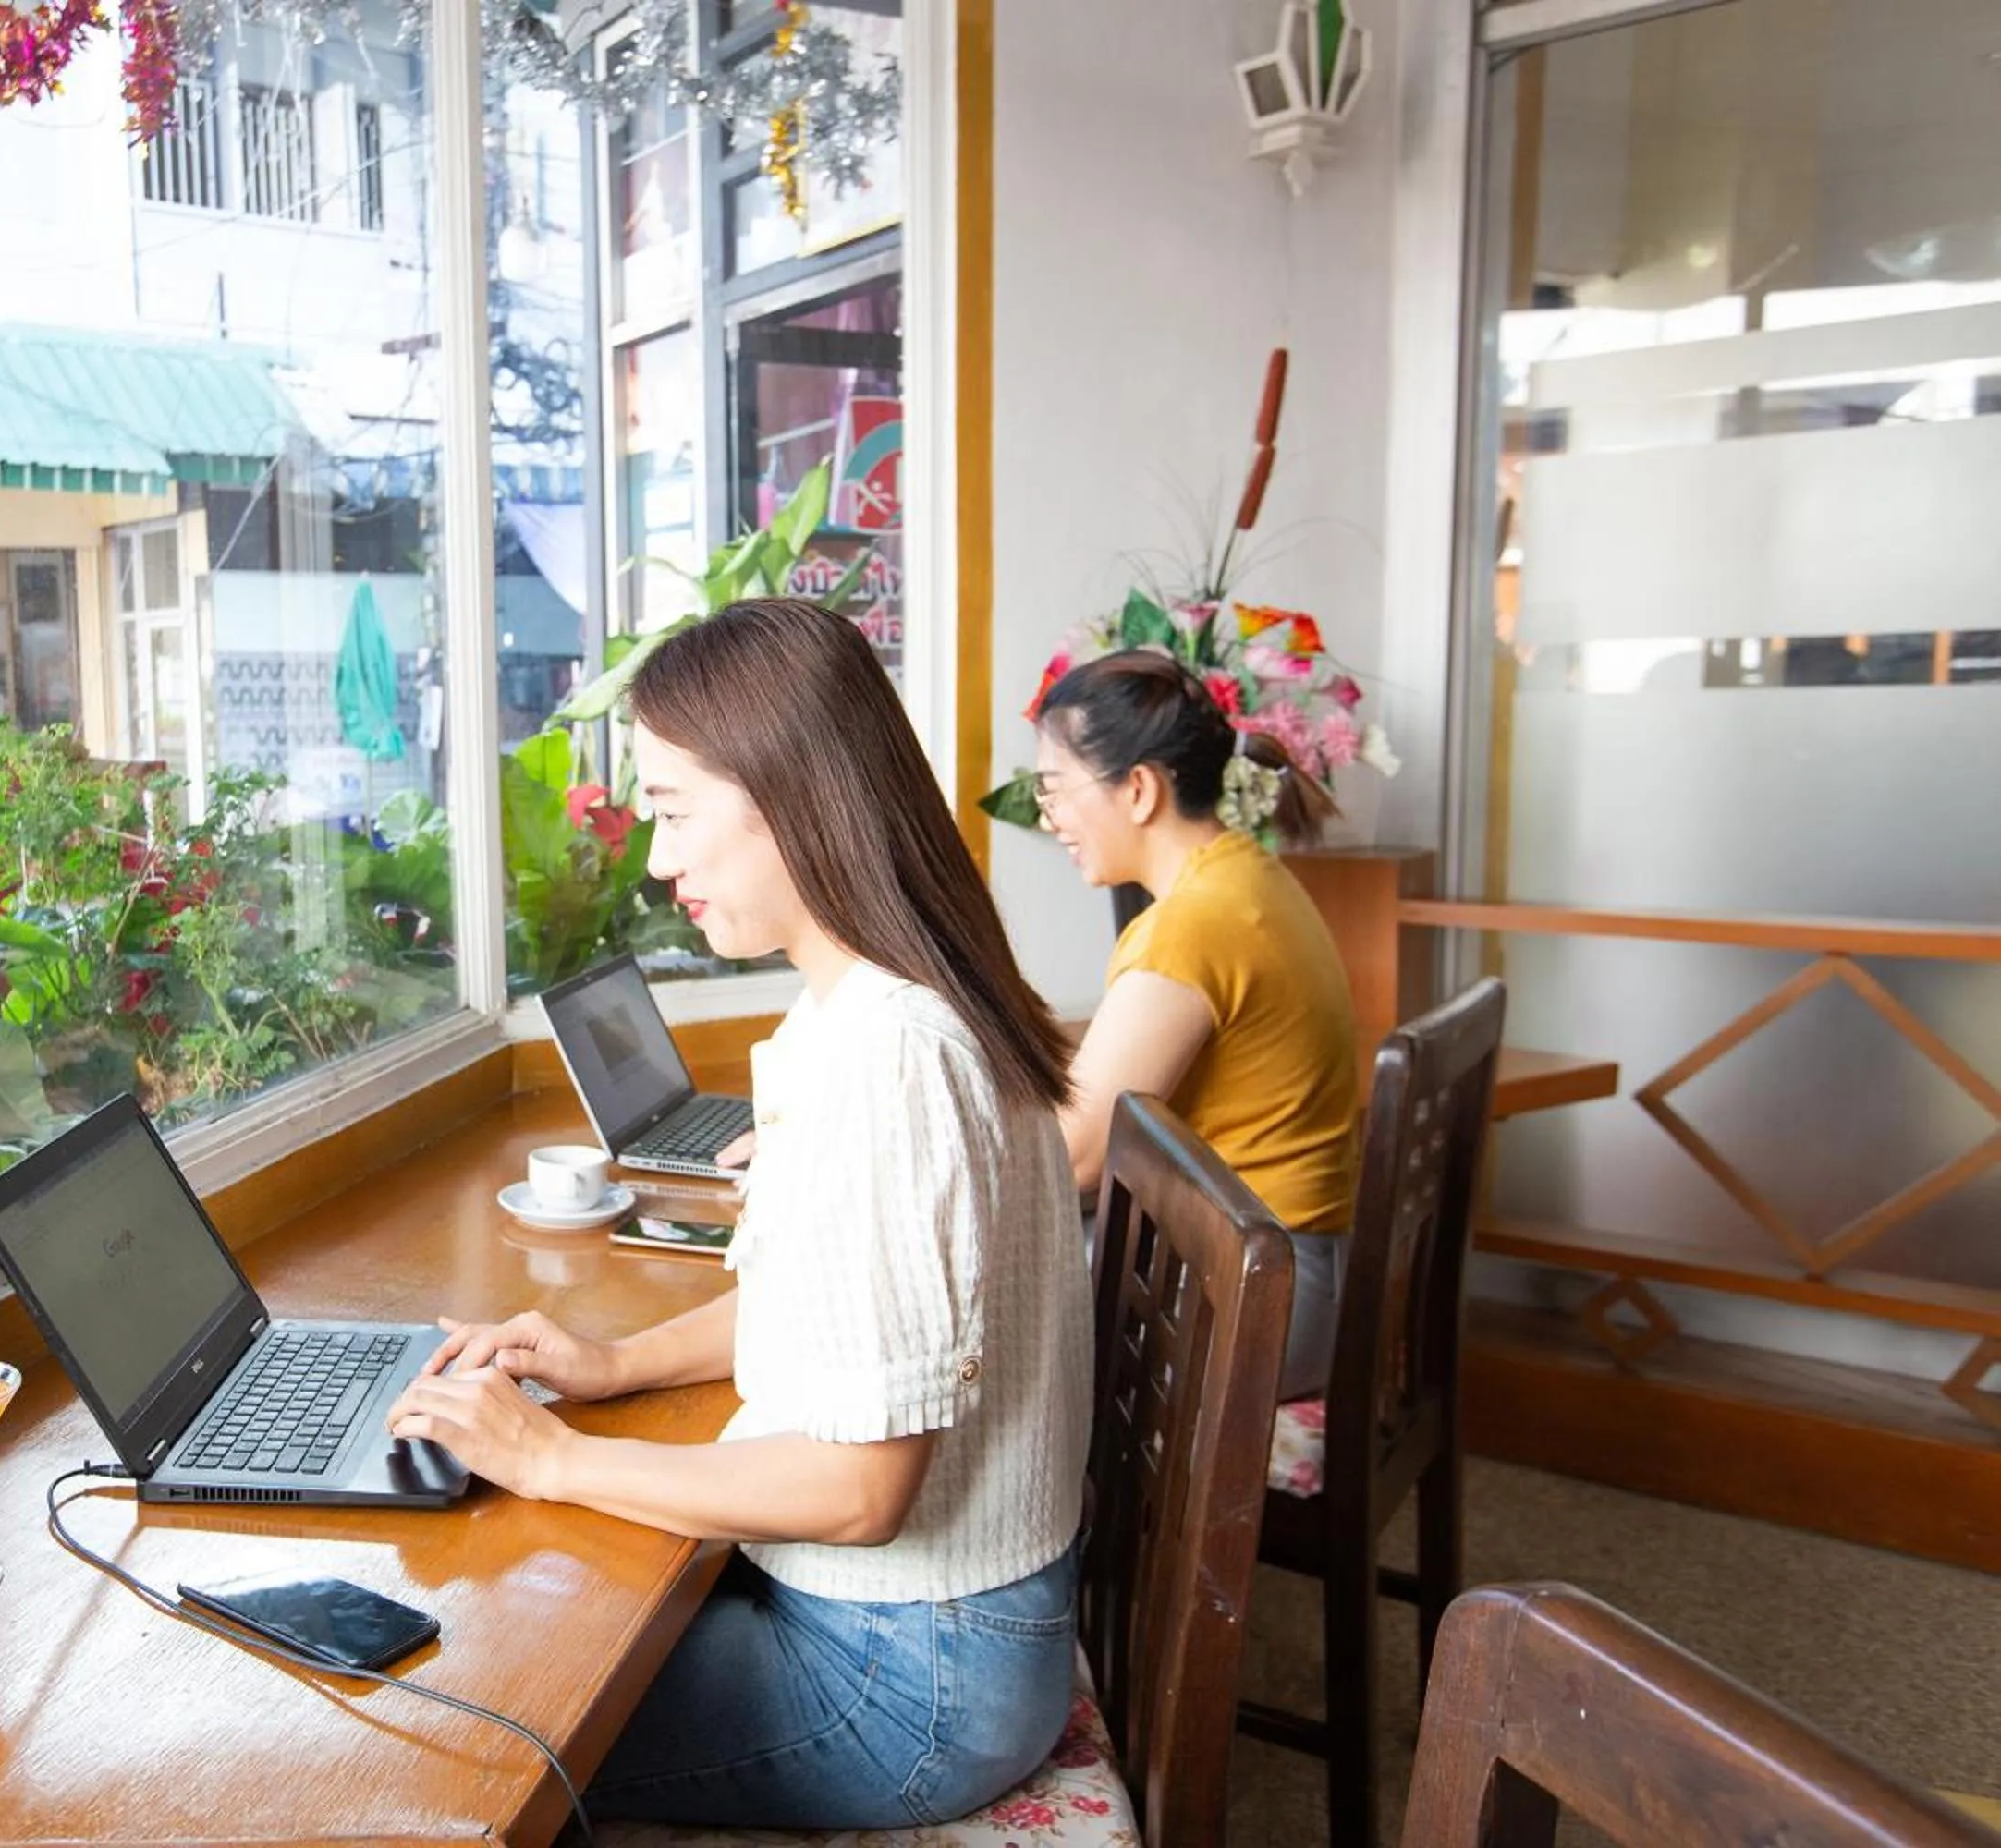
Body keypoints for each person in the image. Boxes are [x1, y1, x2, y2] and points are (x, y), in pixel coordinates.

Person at [387, 599, 1088, 1830]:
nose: (658, 864)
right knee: (532, 1619)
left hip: (907, 1683)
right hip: (933, 1637)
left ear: (793, 794)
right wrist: (612, 1363)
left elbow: (860, 1489)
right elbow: (834, 1322)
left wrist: (552, 1456)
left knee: (457, 1723)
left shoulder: (888, 1055)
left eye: (671, 813)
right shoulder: (875, 1002)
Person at [1031, 651, 1360, 1396]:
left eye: (1054, 791)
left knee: (985, 1283)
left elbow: (1073, 1156)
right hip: (1293, 1269)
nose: (1051, 818)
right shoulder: (1248, 875)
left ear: (1139, 789)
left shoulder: (1189, 926)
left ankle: (1062, 1513)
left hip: (1258, 1292)